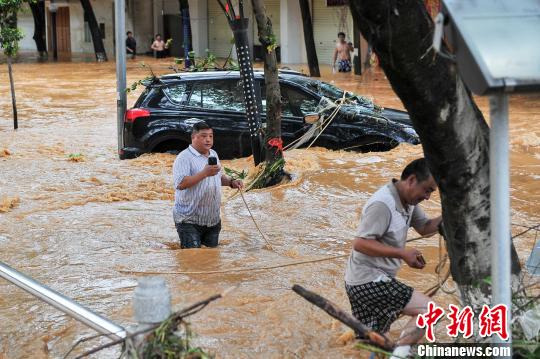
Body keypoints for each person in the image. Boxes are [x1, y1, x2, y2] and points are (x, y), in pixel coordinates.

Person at [344, 158, 443, 357]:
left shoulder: (408, 200)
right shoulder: (383, 204)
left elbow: (425, 228)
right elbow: (360, 243)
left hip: (362, 281)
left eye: (431, 192)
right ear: (412, 180)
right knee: (431, 311)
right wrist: (402, 253)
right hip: (368, 282)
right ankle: (400, 355)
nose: (428, 197)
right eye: (427, 190)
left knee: (375, 344)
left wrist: (450, 213)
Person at [172, 121, 243, 249]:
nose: (208, 140)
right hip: (189, 220)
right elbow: (181, 184)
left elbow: (218, 177)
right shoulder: (184, 157)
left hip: (212, 220)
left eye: (210, 136)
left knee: (210, 260)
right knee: (193, 260)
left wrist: (231, 182)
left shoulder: (213, 154)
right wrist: (204, 173)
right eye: (204, 136)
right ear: (193, 137)